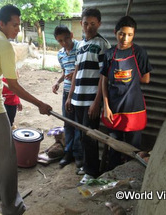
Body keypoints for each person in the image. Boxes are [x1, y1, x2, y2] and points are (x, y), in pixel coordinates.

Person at [0, 5, 52, 215]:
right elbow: (13, 85)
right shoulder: (3, 45)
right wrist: (39, 103)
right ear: (2, 23)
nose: (17, 29)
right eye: (14, 25)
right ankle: (11, 206)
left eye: (18, 25)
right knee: (6, 159)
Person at [65, 7, 111, 184]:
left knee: (90, 136)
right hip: (77, 98)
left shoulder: (102, 45)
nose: (89, 27)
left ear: (99, 24)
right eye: (86, 23)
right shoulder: (81, 45)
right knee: (82, 134)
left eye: (93, 23)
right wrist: (70, 96)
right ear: (80, 24)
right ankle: (86, 166)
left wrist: (97, 102)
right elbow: (76, 71)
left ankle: (92, 171)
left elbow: (103, 75)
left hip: (91, 99)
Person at [101, 16, 152, 170]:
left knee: (133, 149)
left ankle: (129, 176)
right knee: (114, 146)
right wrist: (106, 105)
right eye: (122, 34)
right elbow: (103, 81)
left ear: (134, 35)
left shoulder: (139, 52)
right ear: (115, 32)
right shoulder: (109, 54)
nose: (125, 38)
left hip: (134, 107)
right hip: (113, 108)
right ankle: (113, 177)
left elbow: (146, 79)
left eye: (130, 35)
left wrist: (128, 78)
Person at [52, 25, 83, 169]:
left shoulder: (81, 47)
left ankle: (78, 155)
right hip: (66, 92)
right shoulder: (60, 54)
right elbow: (65, 72)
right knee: (68, 123)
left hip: (79, 92)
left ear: (71, 34)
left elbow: (83, 69)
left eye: (66, 39)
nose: (64, 43)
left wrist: (76, 74)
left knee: (78, 125)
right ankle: (68, 153)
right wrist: (58, 82)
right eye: (60, 41)